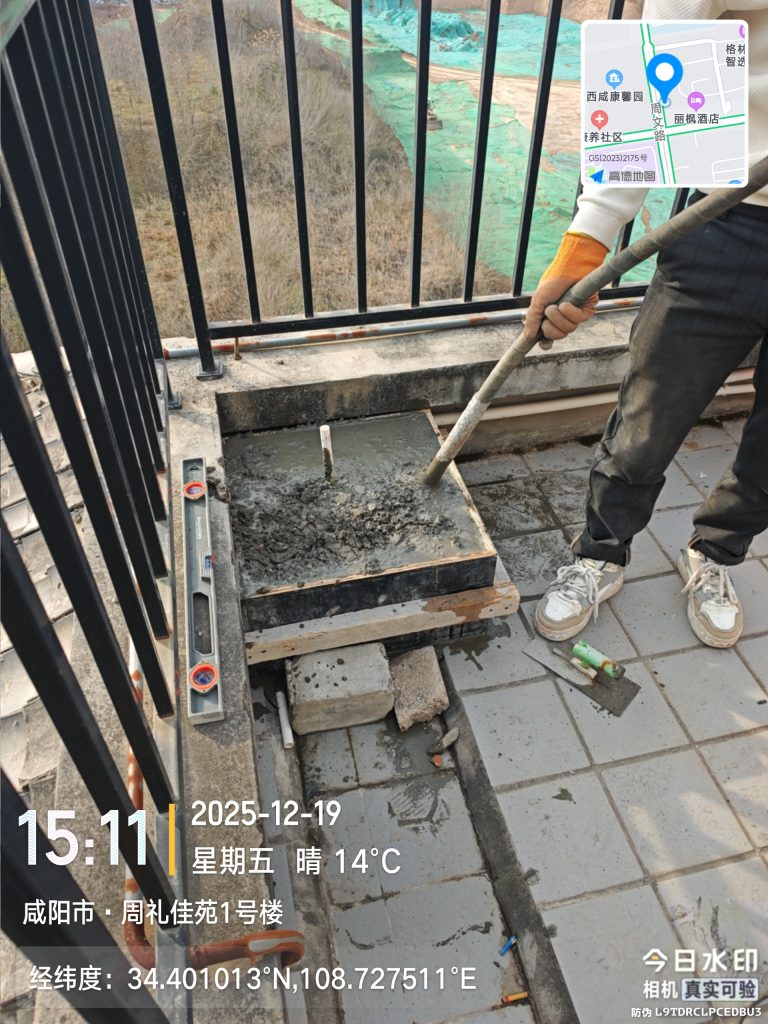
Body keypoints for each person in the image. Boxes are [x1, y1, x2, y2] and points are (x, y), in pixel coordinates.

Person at [525, 0, 768, 649]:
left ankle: (716, 552)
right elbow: (654, 63)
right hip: (731, 214)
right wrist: (587, 242)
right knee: (650, 411)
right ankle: (601, 553)